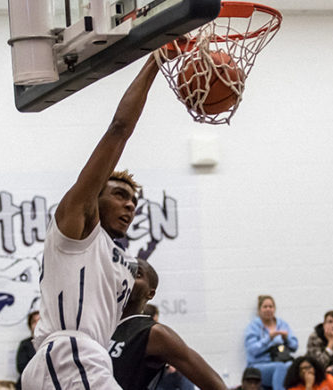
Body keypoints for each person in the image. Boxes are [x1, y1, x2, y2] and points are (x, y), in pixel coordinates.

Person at [21, 54, 161, 389]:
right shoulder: (77, 228)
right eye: (118, 195)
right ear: (94, 199)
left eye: (133, 201)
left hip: (83, 360)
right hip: (70, 353)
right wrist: (156, 61)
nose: (129, 204)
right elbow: (119, 129)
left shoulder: (125, 264)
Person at [109, 258, 227, 390]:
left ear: (150, 293)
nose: (127, 276)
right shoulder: (98, 323)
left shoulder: (155, 333)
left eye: (137, 274)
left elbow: (216, 385)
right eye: (124, 271)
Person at [244, 295, 299, 390]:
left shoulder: (282, 324)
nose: (268, 309)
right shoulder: (254, 327)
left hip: (281, 360)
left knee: (294, 366)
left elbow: (295, 346)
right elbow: (252, 350)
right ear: (259, 310)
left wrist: (286, 339)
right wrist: (269, 338)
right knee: (280, 367)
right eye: (265, 307)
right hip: (259, 365)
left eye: (271, 306)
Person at [15, 311, 39, 390]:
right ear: (30, 326)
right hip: (28, 384)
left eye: (40, 321)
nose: (37, 324)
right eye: (34, 322)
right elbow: (21, 367)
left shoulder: (52, 342)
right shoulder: (25, 344)